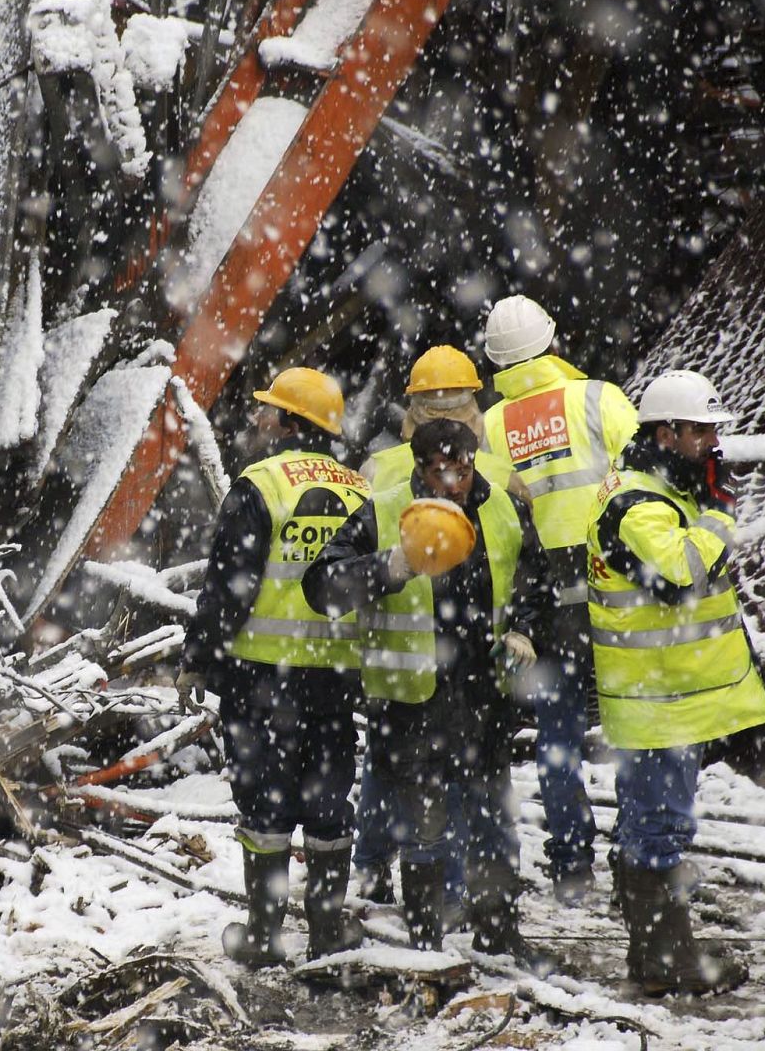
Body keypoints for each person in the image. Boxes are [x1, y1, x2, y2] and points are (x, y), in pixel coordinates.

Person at [303, 418, 554, 970]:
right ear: (419, 469)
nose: (456, 483)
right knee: (425, 828)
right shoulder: (385, 511)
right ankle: (425, 945)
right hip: (411, 700)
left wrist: (524, 628)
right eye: (443, 472)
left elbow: (537, 579)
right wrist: (390, 566)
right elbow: (322, 586)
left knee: (493, 821)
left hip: (484, 695)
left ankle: (498, 932)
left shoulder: (502, 507)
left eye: (464, 469)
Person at [175, 367, 371, 966]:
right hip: (334, 679)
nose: (262, 420)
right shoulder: (361, 490)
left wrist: (198, 660)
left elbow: (229, 587)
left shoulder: (260, 484)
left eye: (272, 411)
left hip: (261, 681)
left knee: (264, 808)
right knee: (329, 805)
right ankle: (329, 930)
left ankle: (263, 935)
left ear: (291, 421)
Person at [586, 369, 765, 995]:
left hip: (662, 700)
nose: (713, 442)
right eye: (702, 430)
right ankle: (667, 963)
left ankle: (656, 953)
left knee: (652, 822)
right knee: (660, 827)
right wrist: (719, 516)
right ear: (667, 432)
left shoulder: (661, 491)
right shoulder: (639, 504)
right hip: (658, 702)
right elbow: (681, 575)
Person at [352, 345, 526, 908]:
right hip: (449, 673)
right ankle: (450, 902)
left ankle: (383, 869)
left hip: (426, 676)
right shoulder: (498, 471)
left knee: (401, 777)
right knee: (466, 794)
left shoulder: (380, 470)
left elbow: (527, 566)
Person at [480, 295, 638, 903]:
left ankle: (572, 865)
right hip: (618, 592)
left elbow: (501, 521)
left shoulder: (491, 426)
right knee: (631, 730)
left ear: (495, 362)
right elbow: (647, 480)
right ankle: (636, 864)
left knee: (557, 738)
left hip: (547, 604)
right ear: (552, 340)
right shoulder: (598, 398)